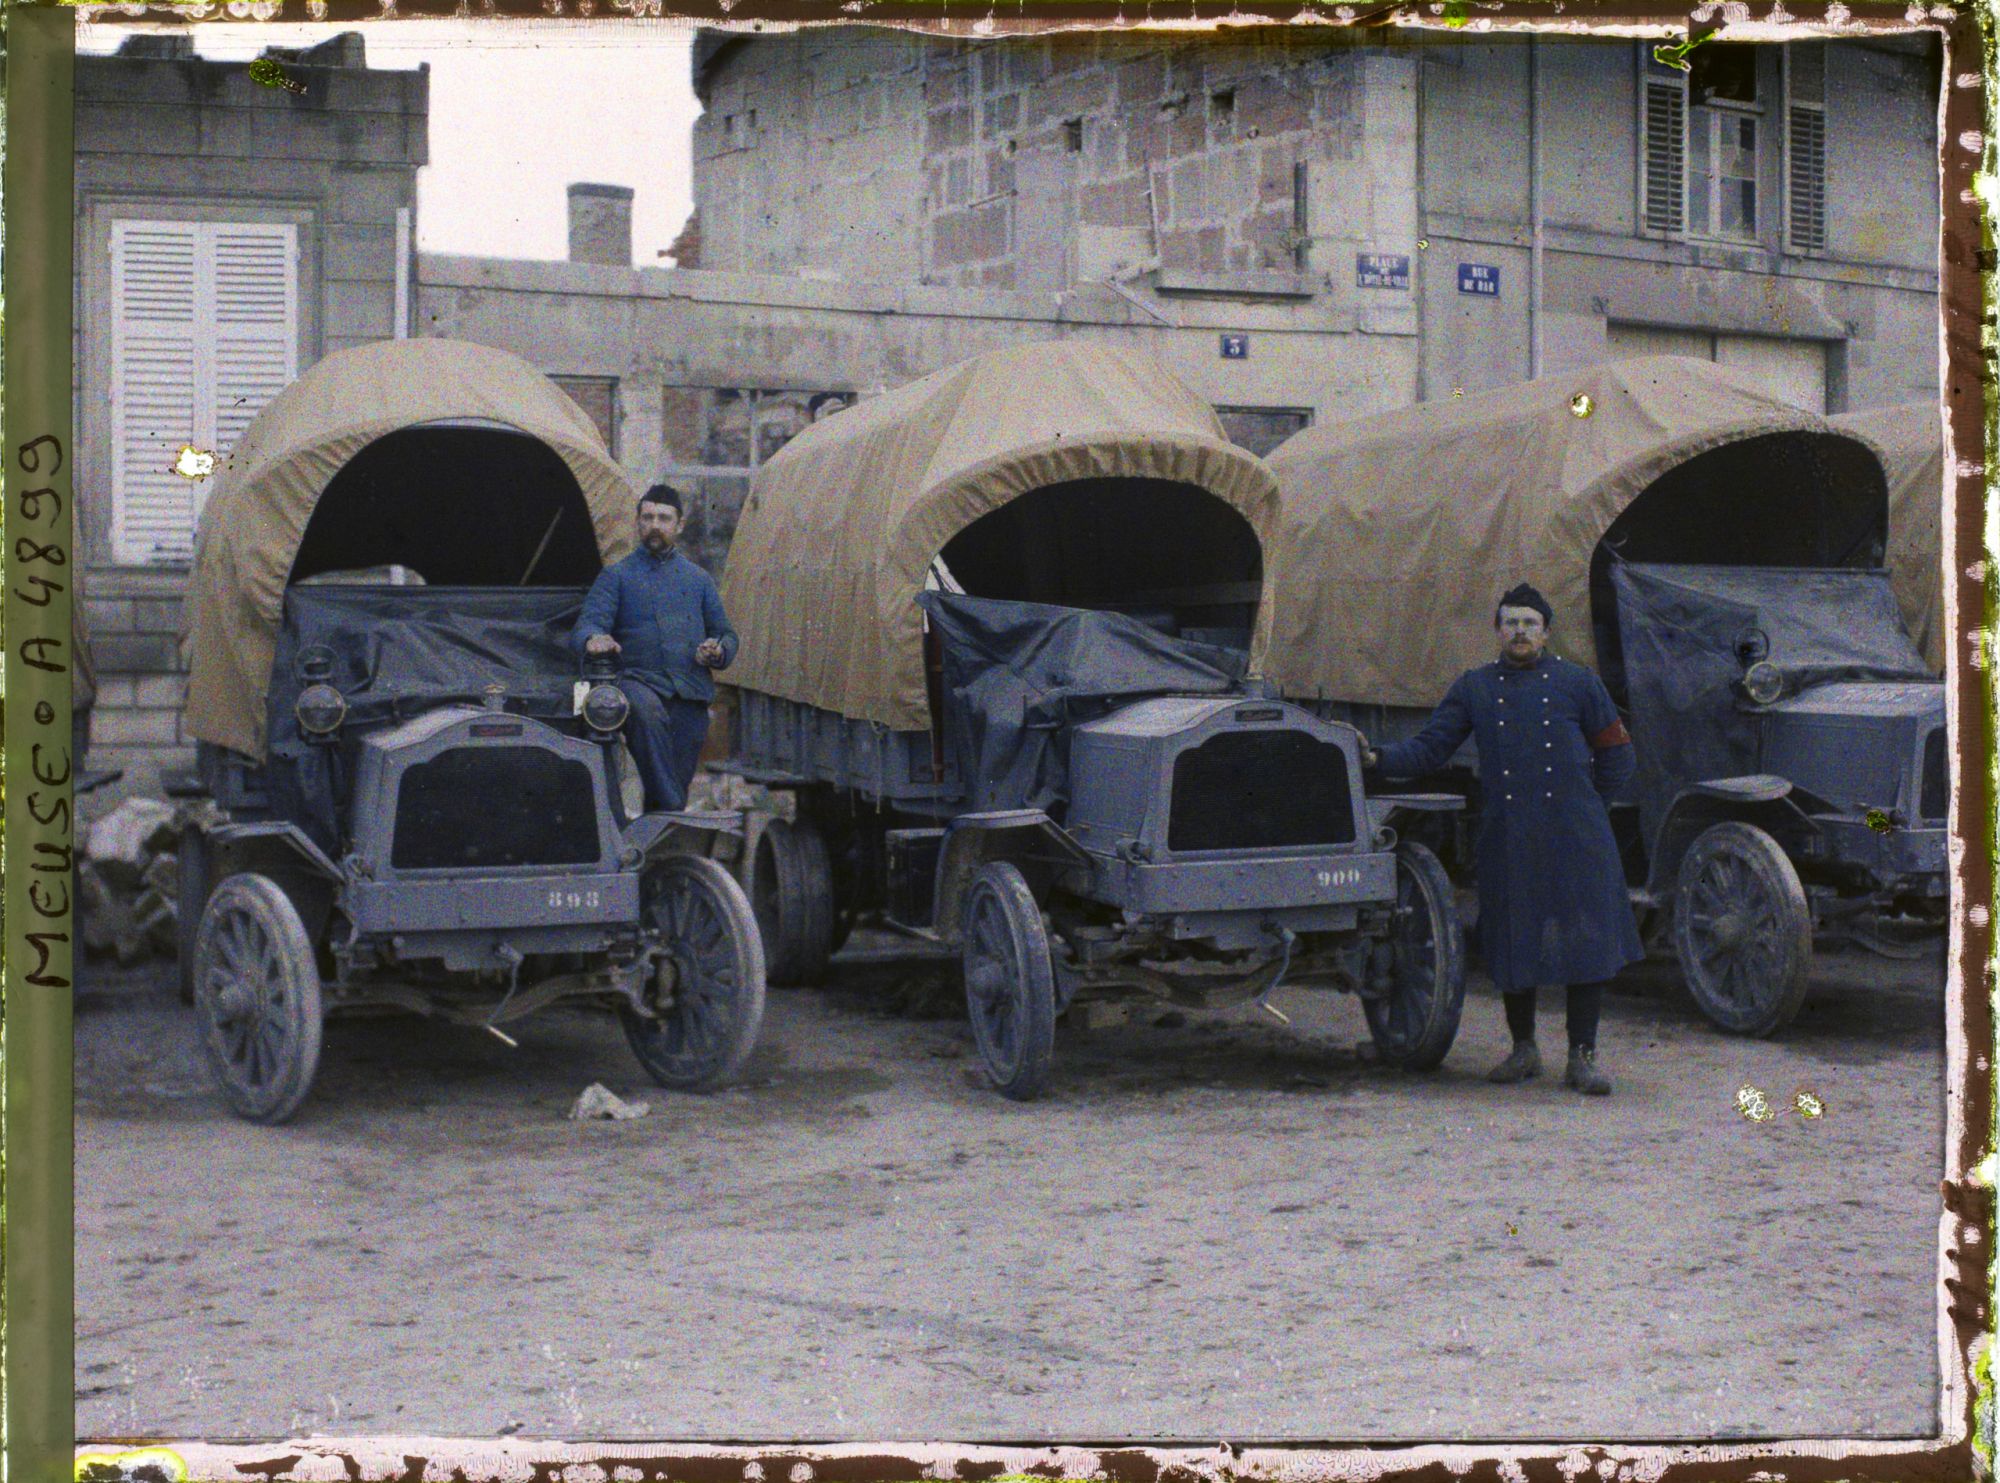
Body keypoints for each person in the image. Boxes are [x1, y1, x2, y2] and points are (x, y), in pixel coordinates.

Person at [1362, 583, 1641, 1095]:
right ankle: (1524, 1050)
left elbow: (1618, 757)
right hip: (1509, 836)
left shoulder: (1580, 683)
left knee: (1586, 943)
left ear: (1546, 631)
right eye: (1511, 622)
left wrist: (1586, 809)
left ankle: (1582, 1057)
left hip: (1579, 837)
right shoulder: (1475, 688)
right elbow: (1429, 749)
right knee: (1516, 938)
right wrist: (1378, 759)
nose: (1520, 631)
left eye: (1530, 623)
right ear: (1497, 630)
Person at [572, 484, 738, 813]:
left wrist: (717, 650)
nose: (655, 525)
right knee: (647, 714)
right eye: (647, 517)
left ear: (678, 526)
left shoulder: (698, 580)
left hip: (689, 691)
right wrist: (594, 639)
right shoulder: (616, 577)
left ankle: (657, 838)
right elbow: (586, 625)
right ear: (638, 523)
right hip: (636, 683)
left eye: (664, 518)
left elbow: (725, 634)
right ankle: (676, 815)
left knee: (673, 782)